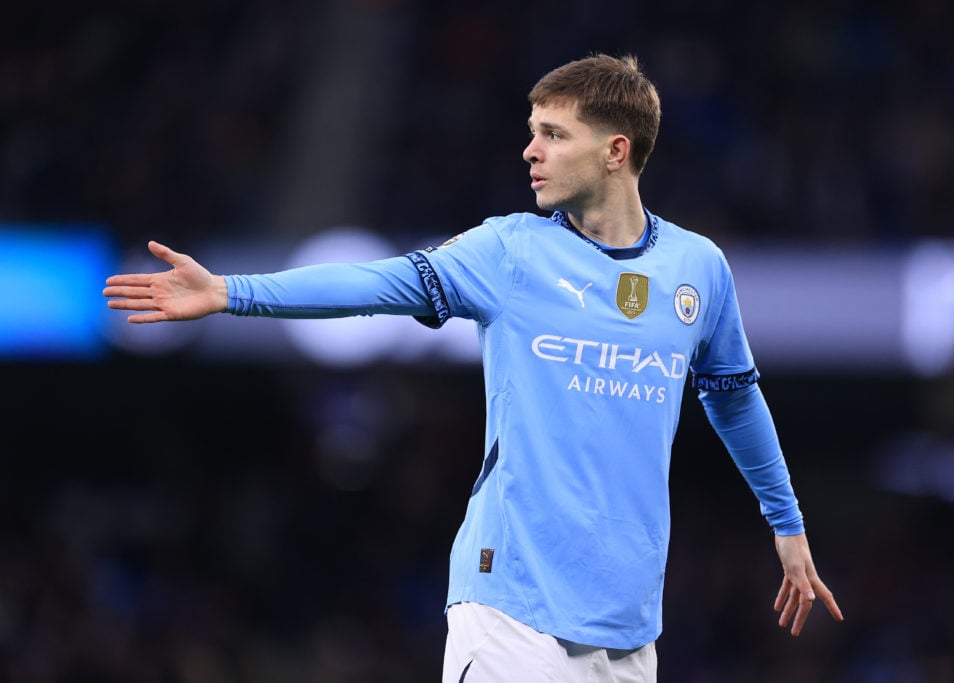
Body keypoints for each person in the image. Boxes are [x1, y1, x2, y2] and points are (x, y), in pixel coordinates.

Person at [104, 53, 843, 682]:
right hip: (508, 600)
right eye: (533, 133)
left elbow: (733, 396)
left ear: (616, 151)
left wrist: (786, 521)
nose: (531, 151)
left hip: (628, 623)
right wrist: (233, 292)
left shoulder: (698, 269)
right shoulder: (510, 251)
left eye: (554, 135)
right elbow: (380, 282)